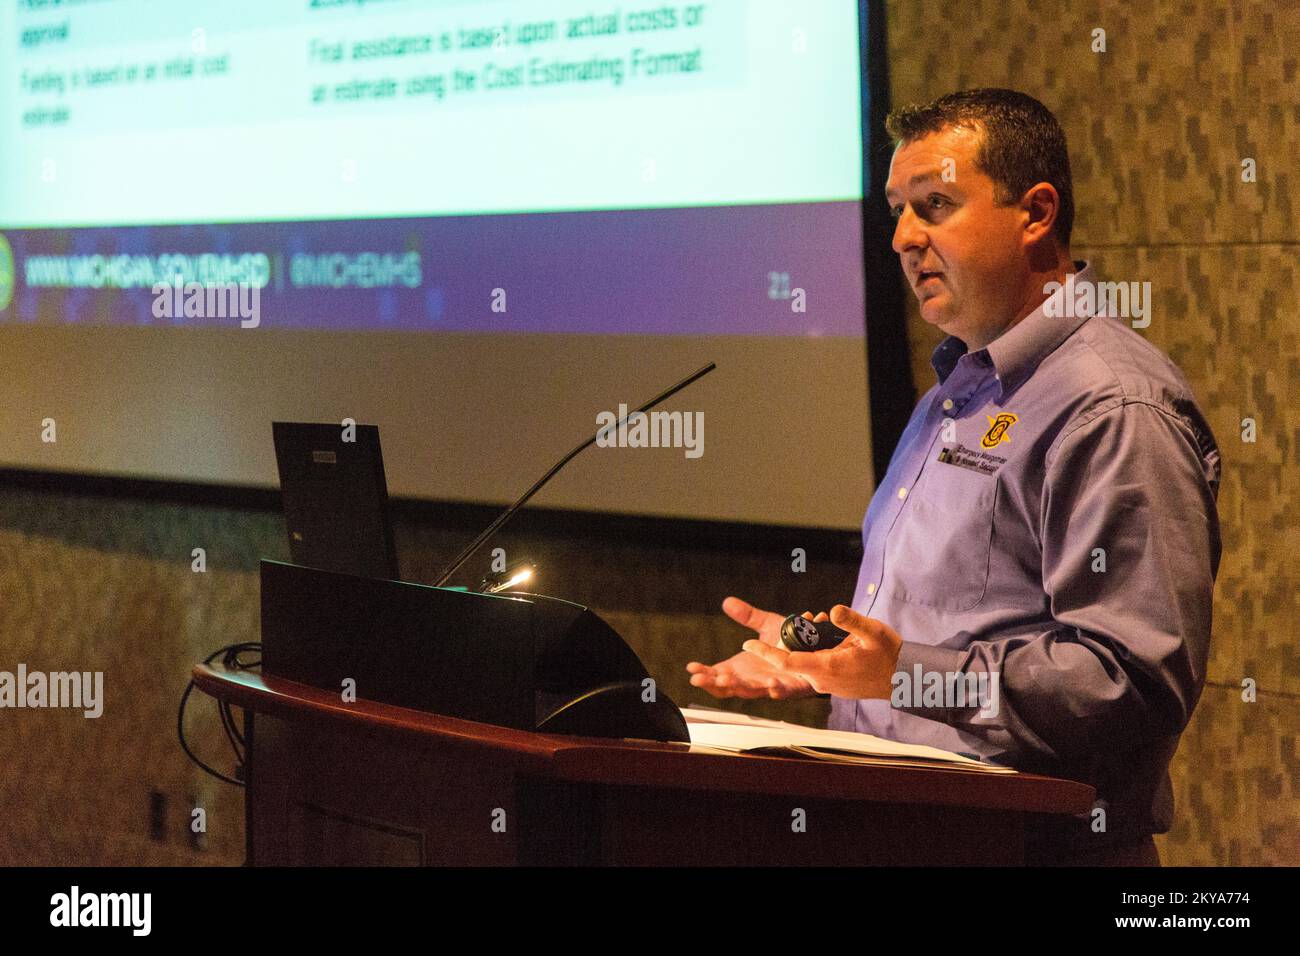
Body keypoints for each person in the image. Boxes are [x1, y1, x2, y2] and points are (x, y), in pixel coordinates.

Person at [686, 89, 1221, 867]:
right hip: (888, 829)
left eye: (935, 205)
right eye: (898, 210)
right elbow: (963, 618)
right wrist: (830, 653)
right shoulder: (955, 391)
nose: (904, 237)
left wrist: (904, 676)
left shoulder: (1111, 406)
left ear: (1036, 213)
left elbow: (1128, 687)